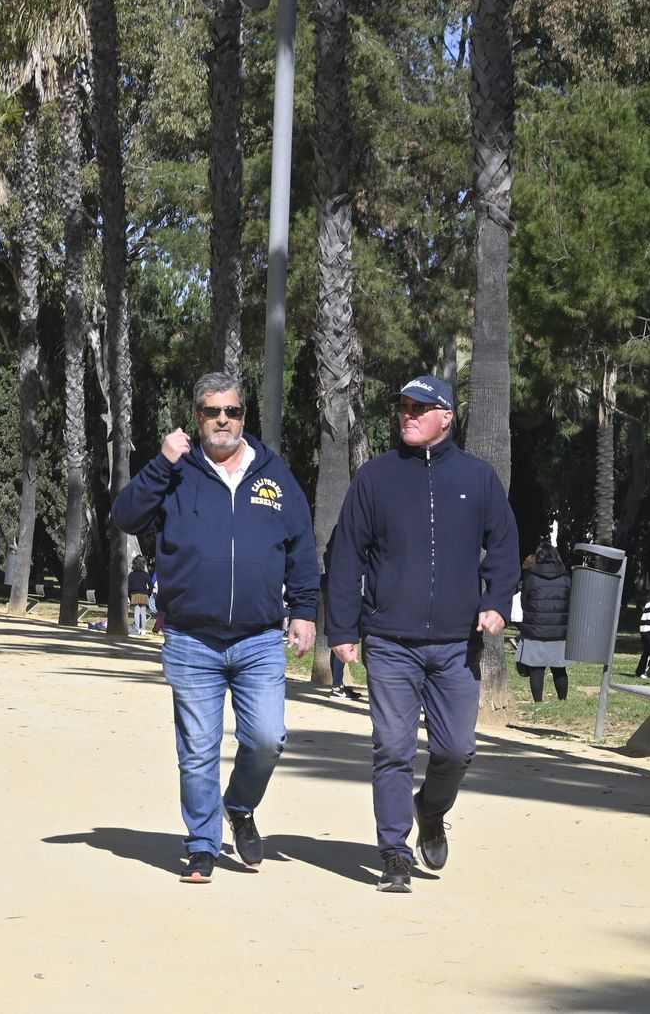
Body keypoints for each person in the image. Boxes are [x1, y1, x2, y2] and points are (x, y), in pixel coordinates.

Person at [112, 371, 319, 884]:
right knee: (198, 751)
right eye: (211, 411)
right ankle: (202, 845)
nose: (222, 420)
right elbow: (126, 516)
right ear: (196, 417)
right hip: (191, 638)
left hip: (260, 637)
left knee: (267, 738)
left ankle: (240, 806)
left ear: (243, 417)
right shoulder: (176, 471)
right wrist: (162, 462)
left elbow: (301, 545)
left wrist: (305, 610)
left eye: (231, 411)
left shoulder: (273, 474)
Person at [325, 375, 520, 894]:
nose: (407, 415)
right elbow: (346, 556)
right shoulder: (375, 478)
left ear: (446, 416)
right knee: (393, 747)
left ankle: (430, 811)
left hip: (458, 644)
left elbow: (504, 547)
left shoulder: (478, 478)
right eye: (403, 407)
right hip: (390, 641)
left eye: (419, 408)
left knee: (456, 751)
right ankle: (394, 850)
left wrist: (496, 602)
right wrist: (342, 628)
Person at [516, 543, 571, 702]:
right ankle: (562, 701)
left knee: (536, 667)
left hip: (535, 628)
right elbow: (571, 602)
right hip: (559, 630)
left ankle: (538, 702)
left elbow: (524, 603)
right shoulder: (565, 577)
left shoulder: (531, 577)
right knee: (559, 667)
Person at [127, 556, 151, 635]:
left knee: (136, 612)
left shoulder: (131, 575)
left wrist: (129, 596)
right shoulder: (145, 574)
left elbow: (128, 587)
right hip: (144, 595)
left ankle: (137, 629)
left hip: (134, 594)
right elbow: (151, 586)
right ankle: (143, 629)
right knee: (143, 612)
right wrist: (148, 593)